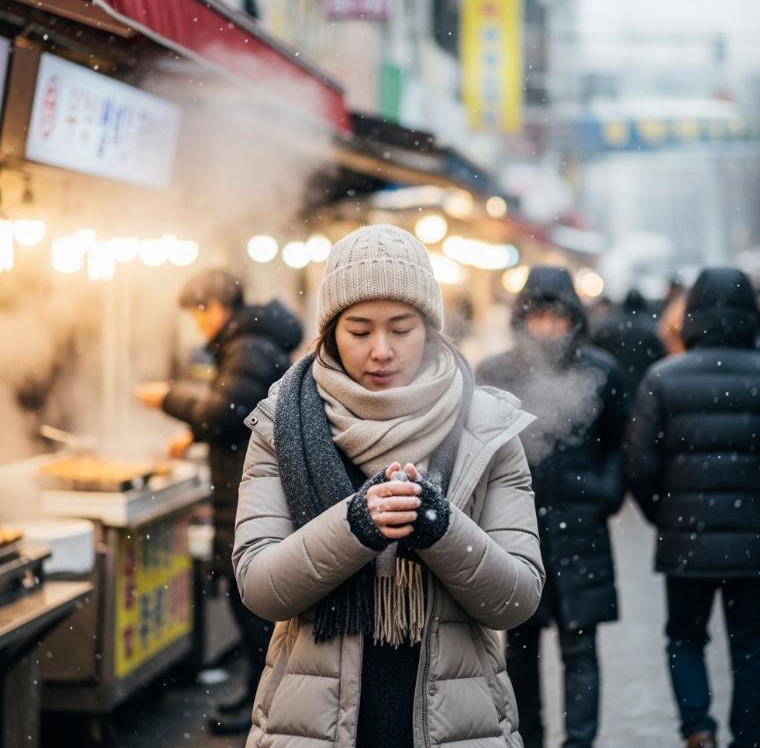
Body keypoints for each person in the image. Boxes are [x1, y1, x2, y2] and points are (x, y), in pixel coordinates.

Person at [232, 224, 545, 748]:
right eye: (359, 331)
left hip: (460, 728)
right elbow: (260, 587)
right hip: (311, 728)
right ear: (330, 332)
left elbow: (516, 599)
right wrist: (355, 525)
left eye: (401, 328)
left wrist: (440, 527)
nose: (381, 350)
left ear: (430, 328)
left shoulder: (487, 429)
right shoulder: (282, 425)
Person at [135, 267, 302, 734]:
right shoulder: (252, 341)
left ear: (216, 307)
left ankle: (264, 705)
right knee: (248, 598)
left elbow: (227, 412)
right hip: (247, 486)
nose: (197, 323)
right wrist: (194, 433)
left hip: (250, 490)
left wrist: (168, 398)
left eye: (198, 312)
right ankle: (258, 698)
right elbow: (239, 413)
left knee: (250, 601)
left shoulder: (248, 346)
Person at [477, 266, 628, 748]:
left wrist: (604, 492)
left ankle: (579, 742)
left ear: (573, 319)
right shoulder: (496, 372)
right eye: (537, 317)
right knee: (520, 650)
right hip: (518, 529)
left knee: (580, 647)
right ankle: (531, 739)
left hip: (582, 526)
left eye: (556, 318)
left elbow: (621, 445)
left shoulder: (602, 371)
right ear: (522, 319)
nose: (546, 328)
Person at [624, 267, 760, 748]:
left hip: (686, 539)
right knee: (750, 646)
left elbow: (638, 464)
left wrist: (664, 516)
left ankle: (698, 729)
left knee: (684, 636)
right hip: (753, 545)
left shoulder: (663, 378)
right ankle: (748, 737)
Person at [591, 288, 665, 403]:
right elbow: (659, 358)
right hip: (640, 385)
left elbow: (595, 354)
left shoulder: (607, 327)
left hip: (613, 385)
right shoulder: (651, 328)